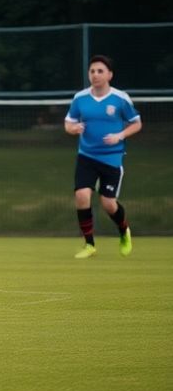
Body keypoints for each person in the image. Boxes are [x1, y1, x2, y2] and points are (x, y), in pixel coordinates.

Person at [65, 55, 141, 258]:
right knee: (82, 195)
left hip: (112, 158)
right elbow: (68, 123)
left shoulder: (120, 98)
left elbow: (136, 123)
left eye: (100, 71)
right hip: (86, 155)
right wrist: (74, 128)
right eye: (92, 71)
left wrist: (120, 135)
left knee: (108, 203)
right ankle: (89, 244)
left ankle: (124, 230)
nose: (95, 75)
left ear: (110, 75)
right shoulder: (80, 98)